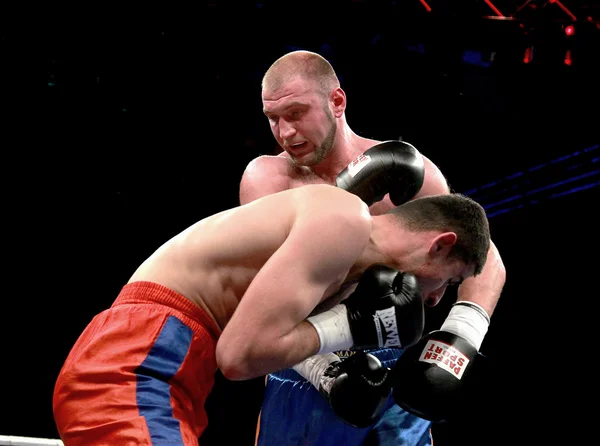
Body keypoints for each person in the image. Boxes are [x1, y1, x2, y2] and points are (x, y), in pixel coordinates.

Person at [52, 184, 491, 446]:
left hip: (172, 368)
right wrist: (345, 326)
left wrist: (337, 366)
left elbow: (260, 346)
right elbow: (240, 358)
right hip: (140, 358)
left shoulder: (343, 267)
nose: (434, 300)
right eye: (449, 283)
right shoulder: (345, 219)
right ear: (440, 244)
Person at [239, 50, 507, 446]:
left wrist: (456, 340)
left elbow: (485, 257)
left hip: (394, 367)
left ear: (337, 101)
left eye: (296, 113)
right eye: (273, 119)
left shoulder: (407, 172)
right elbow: (266, 306)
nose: (285, 133)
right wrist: (327, 374)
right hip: (303, 364)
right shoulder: (269, 179)